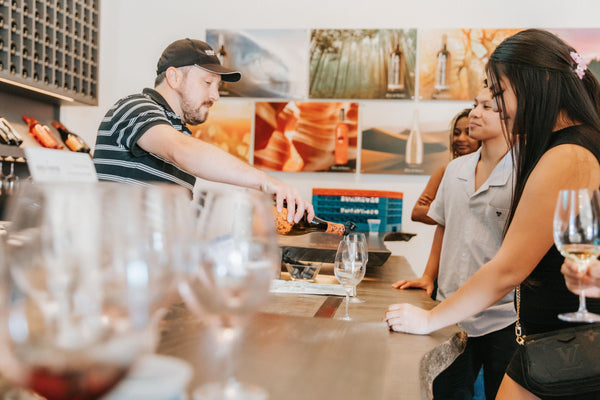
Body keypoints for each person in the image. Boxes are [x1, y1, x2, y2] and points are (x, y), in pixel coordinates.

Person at [384, 29, 600, 400]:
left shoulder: (567, 155)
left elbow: (508, 268)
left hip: (562, 344)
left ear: (536, 85)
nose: (495, 107)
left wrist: (432, 319)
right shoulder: (581, 142)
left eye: (499, 94)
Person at [93, 38, 313, 223]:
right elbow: (181, 150)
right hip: (116, 266)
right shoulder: (134, 108)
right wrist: (266, 181)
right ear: (174, 77)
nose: (215, 95)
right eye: (207, 83)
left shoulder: (180, 132)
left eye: (217, 86)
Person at [394, 87, 516, 400]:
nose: (475, 113)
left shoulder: (524, 173)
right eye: (476, 105)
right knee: (446, 392)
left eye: (488, 107)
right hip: (450, 311)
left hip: (503, 316)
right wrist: (428, 275)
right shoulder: (454, 170)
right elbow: (444, 227)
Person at [411, 109, 480, 225]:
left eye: (469, 133)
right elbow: (417, 212)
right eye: (456, 133)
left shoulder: (489, 169)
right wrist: (462, 214)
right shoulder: (446, 170)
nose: (461, 139)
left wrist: (440, 212)